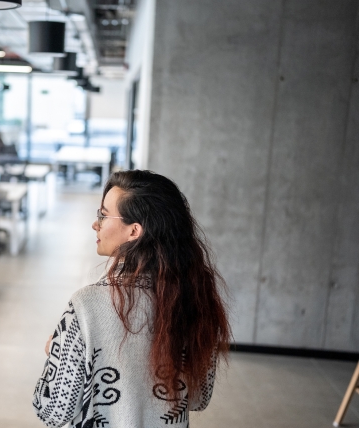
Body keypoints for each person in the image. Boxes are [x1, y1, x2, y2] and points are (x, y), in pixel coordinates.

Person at [33, 170, 231, 427]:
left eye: (103, 215)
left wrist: (56, 353)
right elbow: (197, 398)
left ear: (134, 231)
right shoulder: (195, 297)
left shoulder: (87, 306)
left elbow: (52, 410)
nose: (96, 224)